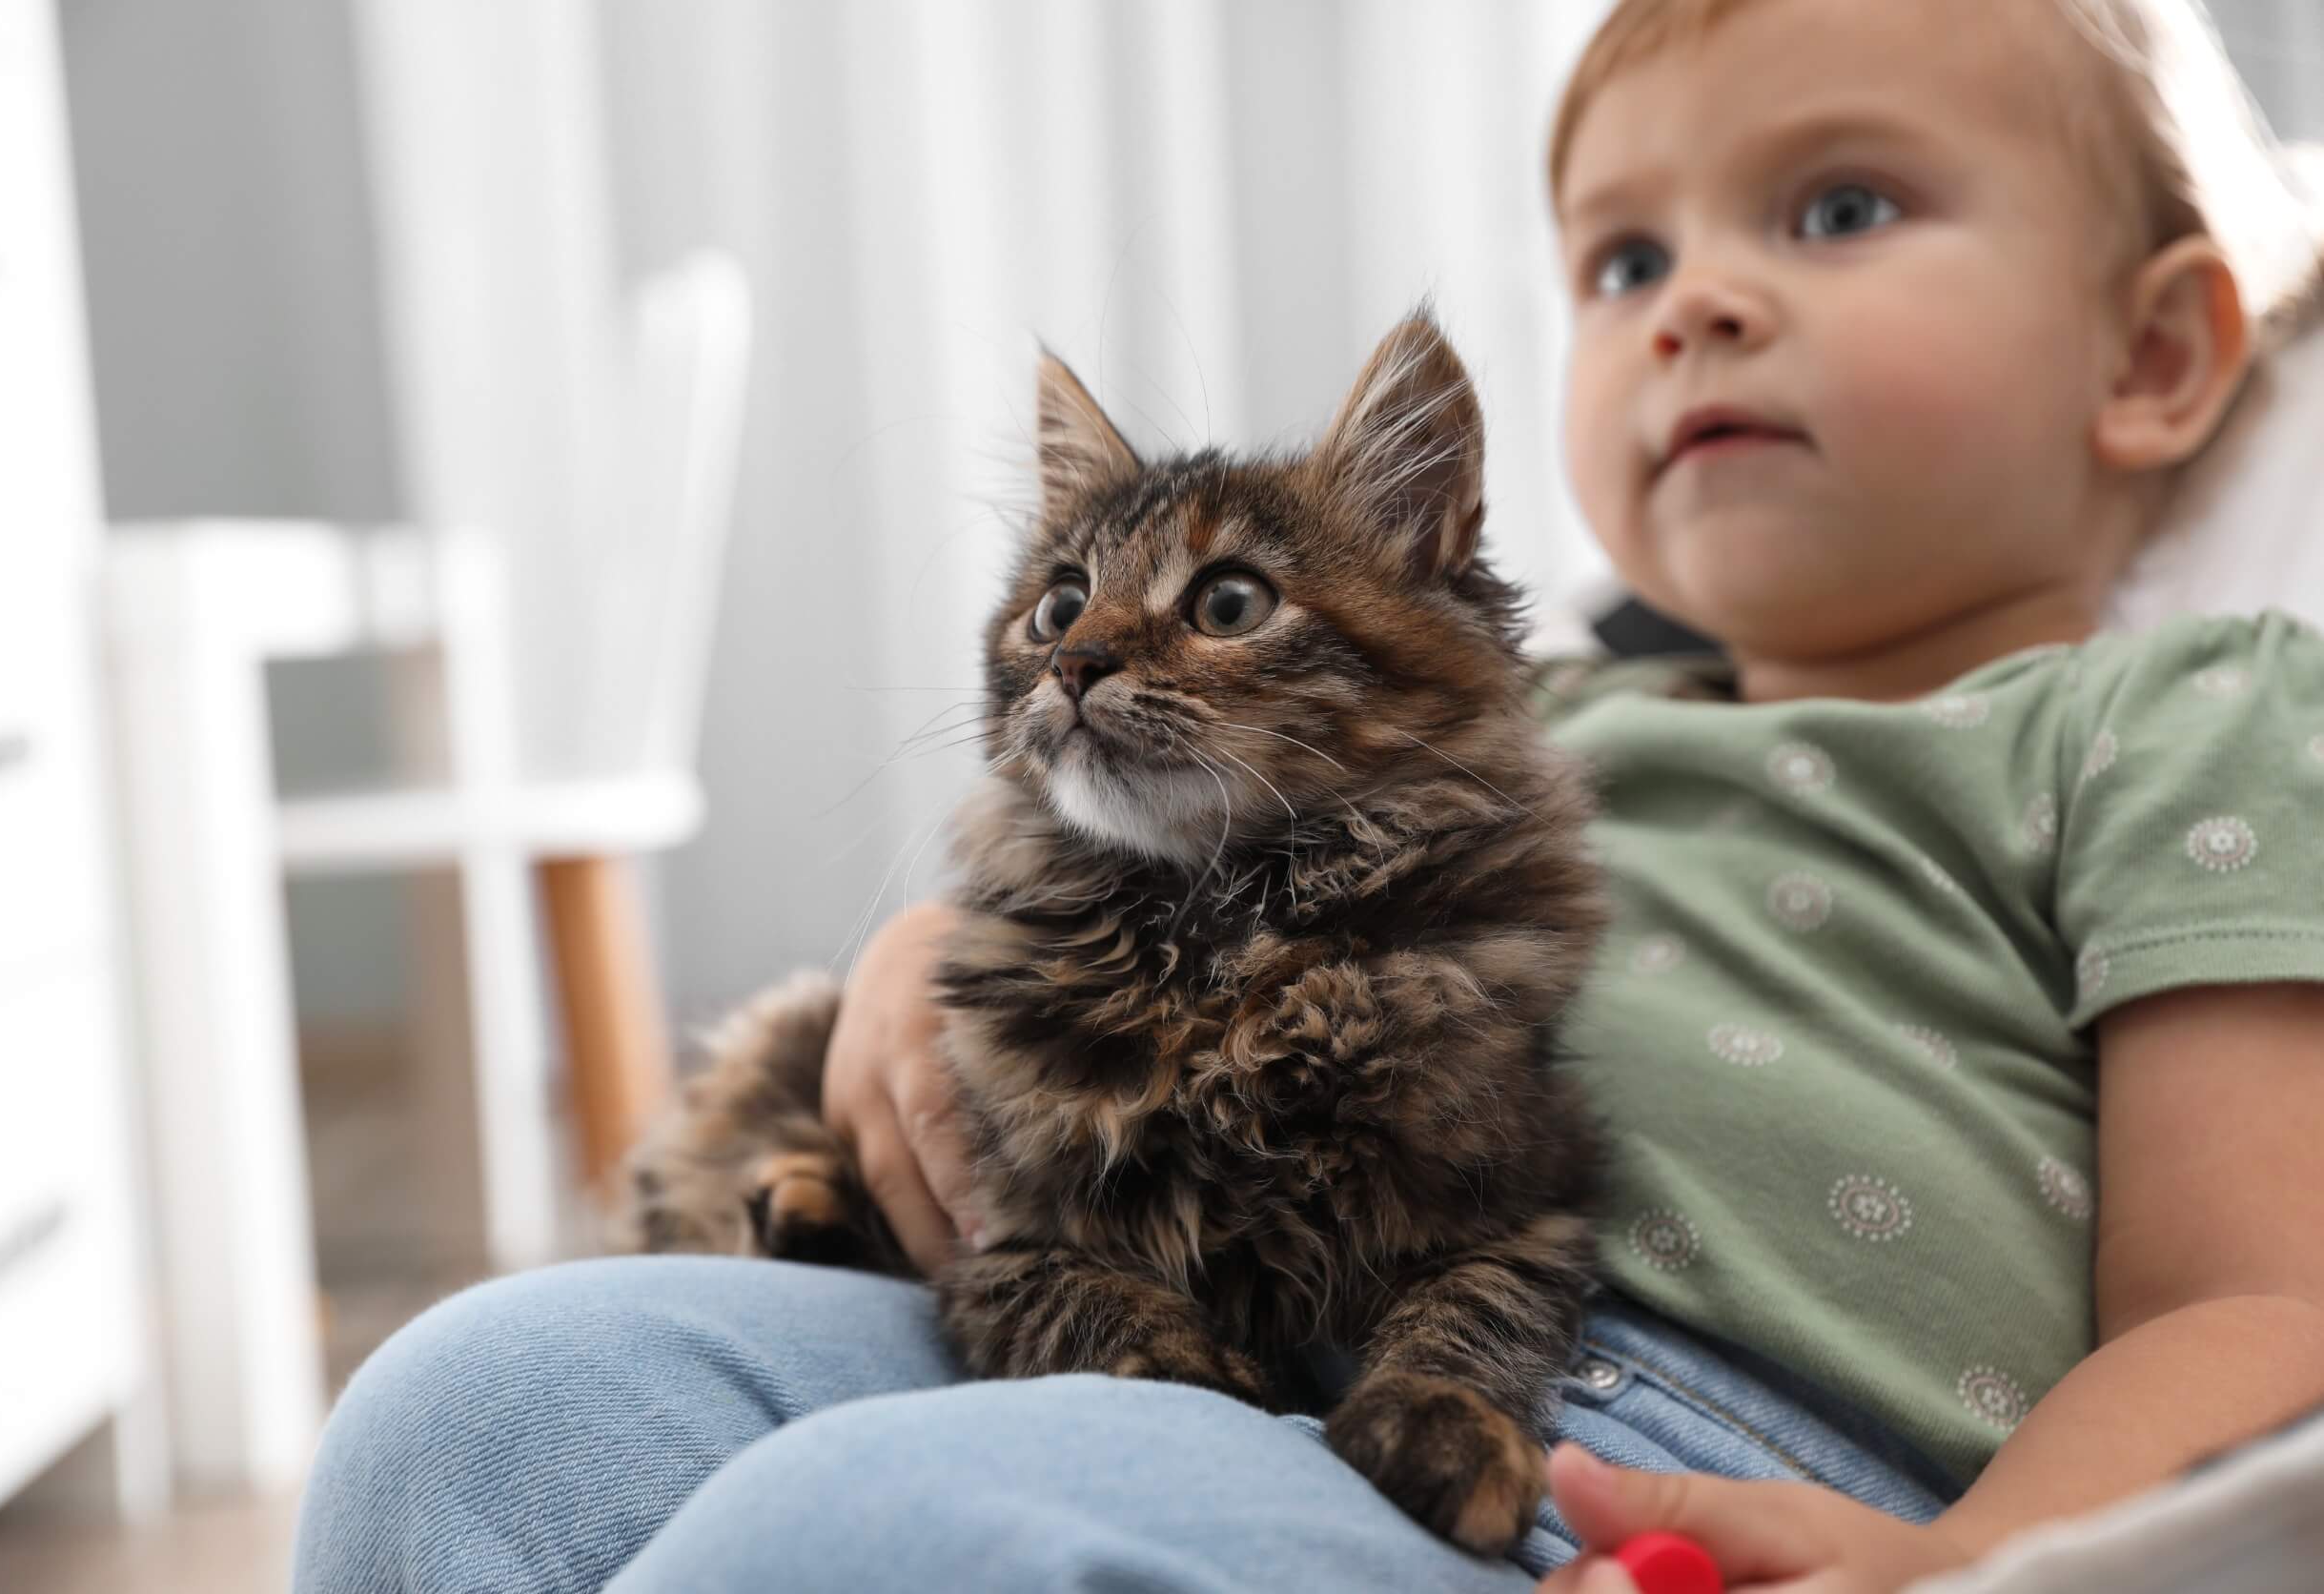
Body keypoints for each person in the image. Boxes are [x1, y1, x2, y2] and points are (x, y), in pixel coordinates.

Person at [293, 2, 2324, 1588]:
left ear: (2153, 352)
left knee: (867, 1542)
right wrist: (927, 980)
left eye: (1842, 208)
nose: (1690, 301)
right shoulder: (1521, 716)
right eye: (1623, 258)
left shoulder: (2176, 709)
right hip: (1214, 1335)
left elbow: (2259, 1298)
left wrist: (1988, 1566)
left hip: (1655, 1461)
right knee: (472, 1408)